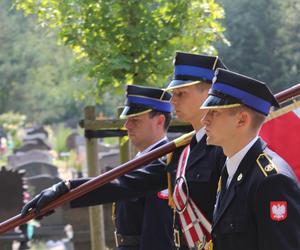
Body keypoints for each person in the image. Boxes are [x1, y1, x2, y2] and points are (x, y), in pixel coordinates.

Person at [21, 85, 176, 250]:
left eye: (135, 120)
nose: (127, 125)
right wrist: (63, 192)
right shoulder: (144, 160)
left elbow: (158, 234)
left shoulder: (164, 163)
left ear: (159, 121)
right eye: (127, 119)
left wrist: (66, 189)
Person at [201, 68, 300, 250]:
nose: (204, 120)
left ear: (242, 120)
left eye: (214, 112)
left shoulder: (272, 180)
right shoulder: (231, 168)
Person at [165, 52, 227, 249]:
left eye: (181, 93)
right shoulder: (183, 150)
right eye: (173, 94)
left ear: (209, 93)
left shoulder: (224, 148)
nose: (173, 101)